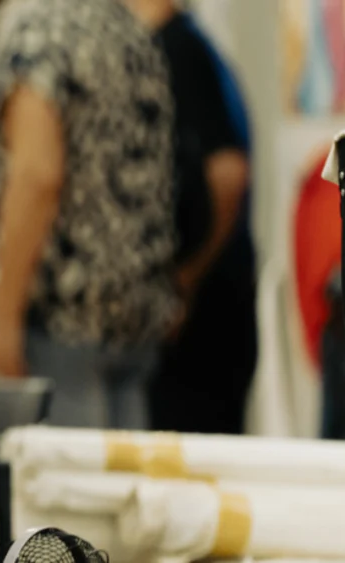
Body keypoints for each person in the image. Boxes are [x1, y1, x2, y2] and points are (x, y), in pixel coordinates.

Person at [0, 0, 180, 429]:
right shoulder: (121, 25)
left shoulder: (35, 28)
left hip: (54, 326)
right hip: (127, 323)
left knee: (62, 490)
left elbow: (37, 174)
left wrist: (3, 317)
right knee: (117, 489)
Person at [136, 2, 258, 435]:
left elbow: (228, 174)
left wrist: (185, 281)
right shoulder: (188, 43)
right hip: (212, 301)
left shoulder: (177, 50)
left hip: (206, 316)